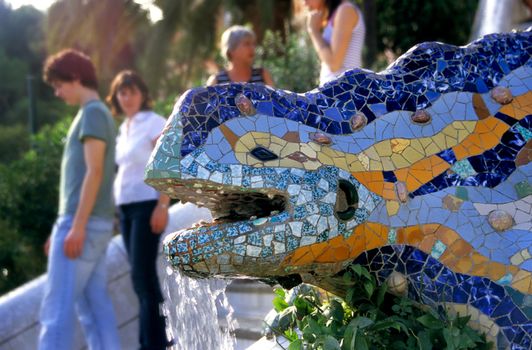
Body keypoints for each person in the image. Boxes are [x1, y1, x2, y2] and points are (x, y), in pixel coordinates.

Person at [39, 49, 120, 349]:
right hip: (86, 223)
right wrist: (63, 226)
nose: (57, 93)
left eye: (59, 85)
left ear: (75, 77)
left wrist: (75, 226)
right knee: (94, 309)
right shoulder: (94, 114)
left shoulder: (93, 113)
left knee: (55, 310)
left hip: (82, 224)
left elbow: (95, 172)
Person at [106, 70, 171, 350]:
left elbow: (166, 163)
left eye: (132, 91)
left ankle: (153, 344)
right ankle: (155, 340)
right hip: (126, 209)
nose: (127, 97)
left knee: (142, 278)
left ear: (142, 94)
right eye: (122, 92)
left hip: (147, 205)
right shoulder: (124, 128)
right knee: (141, 279)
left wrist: (162, 205)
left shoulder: (154, 122)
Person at [303, 0, 366, 85]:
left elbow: (334, 64)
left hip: (344, 90)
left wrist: (314, 31)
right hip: (338, 91)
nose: (305, 3)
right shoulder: (336, 13)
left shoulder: (345, 10)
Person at [206, 25, 275, 86]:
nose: (253, 48)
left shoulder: (263, 75)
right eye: (247, 44)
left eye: (253, 44)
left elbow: (275, 100)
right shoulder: (216, 81)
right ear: (231, 49)